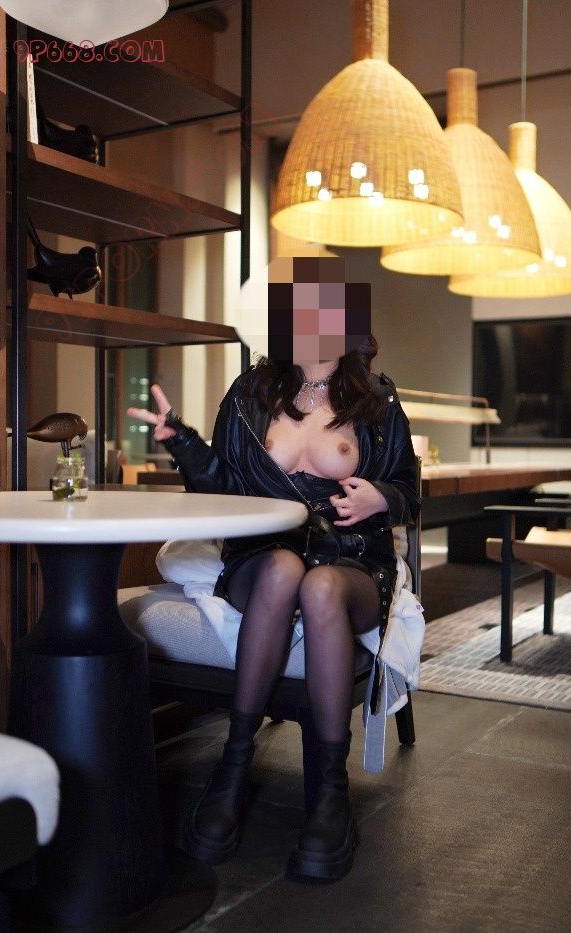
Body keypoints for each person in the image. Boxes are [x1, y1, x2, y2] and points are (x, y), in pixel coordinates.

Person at [128, 257, 420, 882]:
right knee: (287, 570)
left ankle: (329, 795)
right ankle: (233, 769)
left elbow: (409, 491)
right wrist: (181, 441)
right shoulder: (250, 394)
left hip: (350, 560)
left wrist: (381, 498)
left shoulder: (377, 399)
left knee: (319, 585)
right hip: (261, 556)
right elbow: (221, 489)